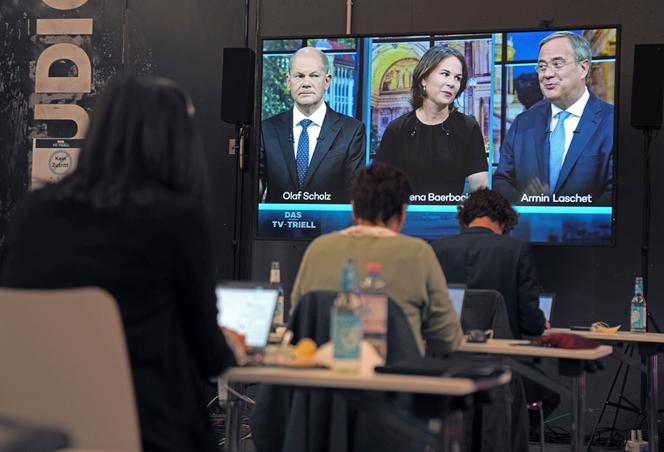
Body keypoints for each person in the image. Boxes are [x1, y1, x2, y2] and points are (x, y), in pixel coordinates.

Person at [0, 75, 240, 452]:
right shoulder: (177, 218)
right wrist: (233, 349)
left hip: (36, 428)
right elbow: (208, 357)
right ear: (178, 144)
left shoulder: (35, 212)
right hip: (144, 429)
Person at [291, 162, 462, 354]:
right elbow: (448, 339)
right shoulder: (418, 253)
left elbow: (296, 321)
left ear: (354, 209)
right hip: (393, 379)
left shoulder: (318, 250)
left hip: (323, 377)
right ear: (402, 213)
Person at [493, 31, 614, 205]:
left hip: (590, 230)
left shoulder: (611, 122)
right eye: (542, 67)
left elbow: (618, 192)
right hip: (528, 228)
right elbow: (501, 181)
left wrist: (565, 216)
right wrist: (526, 202)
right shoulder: (522, 123)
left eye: (557, 64)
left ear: (583, 68)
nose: (547, 74)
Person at [374, 45, 488, 201]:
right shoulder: (398, 129)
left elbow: (480, 188)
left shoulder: (468, 128)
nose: (452, 83)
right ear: (424, 79)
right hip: (406, 220)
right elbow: (377, 185)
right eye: (445, 74)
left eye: (458, 78)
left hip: (450, 221)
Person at [430, 188, 546, 339]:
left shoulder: (437, 248)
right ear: (504, 221)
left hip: (447, 352)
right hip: (503, 354)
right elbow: (530, 322)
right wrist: (540, 323)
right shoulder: (517, 250)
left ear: (465, 220)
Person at [260, 46, 365, 203]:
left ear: (327, 81)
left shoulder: (352, 131)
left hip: (332, 227)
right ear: (288, 82)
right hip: (278, 225)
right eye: (299, 76)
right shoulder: (266, 129)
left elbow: (356, 197)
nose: (306, 83)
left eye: (314, 75)